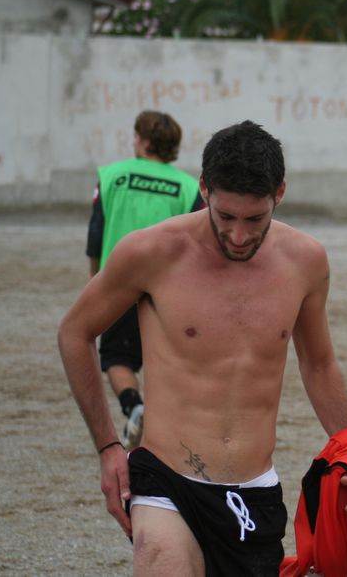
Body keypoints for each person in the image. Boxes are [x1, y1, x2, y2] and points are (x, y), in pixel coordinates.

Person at [58, 121, 347, 576]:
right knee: (161, 558)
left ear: (280, 194)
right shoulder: (152, 252)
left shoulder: (305, 261)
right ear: (204, 189)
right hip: (165, 478)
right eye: (225, 217)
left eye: (255, 219)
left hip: (254, 490)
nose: (239, 236)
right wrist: (108, 447)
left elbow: (319, 364)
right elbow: (75, 332)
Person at [86, 110, 205, 450]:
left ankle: (134, 407)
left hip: (119, 285)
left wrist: (96, 282)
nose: (134, 141)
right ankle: (167, 424)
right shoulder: (188, 186)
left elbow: (96, 237)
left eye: (136, 136)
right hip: (169, 291)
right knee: (165, 360)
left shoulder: (111, 176)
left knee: (117, 359)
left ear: (144, 141)